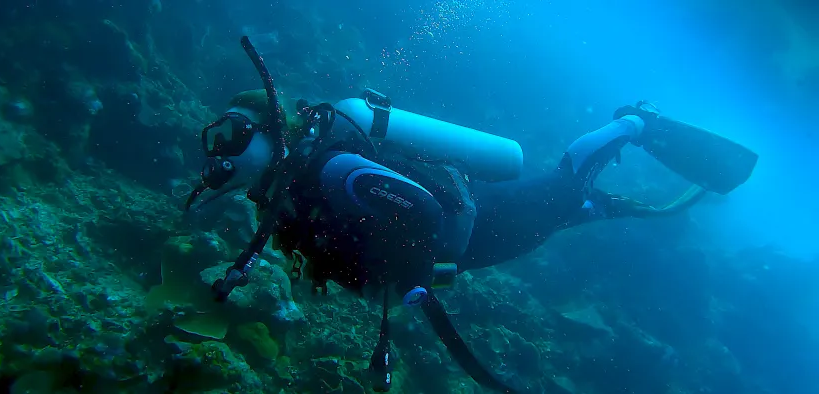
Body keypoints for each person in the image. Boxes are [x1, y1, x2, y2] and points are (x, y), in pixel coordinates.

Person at [183, 36, 758, 394]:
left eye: (232, 135)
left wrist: (410, 281)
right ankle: (594, 203)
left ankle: (632, 123)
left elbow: (424, 209)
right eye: (215, 140)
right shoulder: (284, 192)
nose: (220, 151)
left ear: (270, 132)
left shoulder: (330, 171)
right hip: (473, 244)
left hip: (480, 223)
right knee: (561, 209)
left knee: (561, 185)